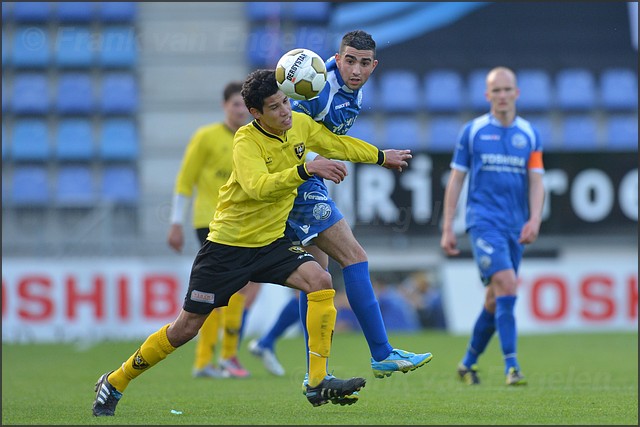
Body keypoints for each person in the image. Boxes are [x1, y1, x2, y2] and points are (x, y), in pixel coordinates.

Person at [92, 68, 413, 416]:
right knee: (185, 328)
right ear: (256, 113)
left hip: (271, 243)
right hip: (228, 248)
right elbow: (259, 187)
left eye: (287, 102)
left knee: (320, 281)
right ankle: (116, 380)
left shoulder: (299, 126)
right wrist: (308, 170)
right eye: (275, 107)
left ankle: (318, 381)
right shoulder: (245, 141)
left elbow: (338, 144)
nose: (286, 111)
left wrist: (381, 156)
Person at [248, 30, 433, 394]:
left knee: (313, 277)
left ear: (373, 65)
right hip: (300, 183)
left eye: (364, 63)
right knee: (354, 257)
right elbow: (287, 136)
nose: (356, 69)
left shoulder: (354, 90)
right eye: (349, 60)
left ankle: (314, 374)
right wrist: (320, 163)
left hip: (304, 181)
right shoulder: (314, 86)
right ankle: (382, 351)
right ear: (337, 57)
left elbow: (325, 139)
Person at [439, 66, 545, 386]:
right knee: (508, 284)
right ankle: (512, 367)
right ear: (487, 96)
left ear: (517, 93)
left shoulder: (529, 134)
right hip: (483, 223)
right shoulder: (472, 132)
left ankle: (467, 363)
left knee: (494, 298)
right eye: (495, 90)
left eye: (506, 89)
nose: (501, 95)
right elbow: (456, 181)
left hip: (515, 226)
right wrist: (447, 227)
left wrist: (534, 218)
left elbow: (537, 182)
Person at [167, 81, 256, 379]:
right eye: (235, 104)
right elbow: (185, 180)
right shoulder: (206, 137)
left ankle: (225, 356)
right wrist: (176, 222)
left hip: (241, 221)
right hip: (210, 221)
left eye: (244, 104)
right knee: (217, 290)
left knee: (240, 287)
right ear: (224, 106)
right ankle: (211, 359)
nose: (240, 109)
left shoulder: (253, 138)